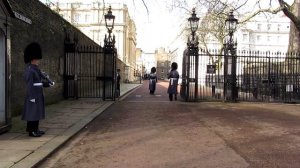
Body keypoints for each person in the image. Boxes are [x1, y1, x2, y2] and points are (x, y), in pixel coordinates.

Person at [23, 42, 54, 137]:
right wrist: (32, 97)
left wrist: (48, 83)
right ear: (33, 59)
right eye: (37, 59)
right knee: (32, 113)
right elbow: (30, 85)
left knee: (37, 113)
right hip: (33, 95)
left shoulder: (36, 69)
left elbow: (39, 82)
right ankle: (32, 131)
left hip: (38, 94)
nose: (38, 61)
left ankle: (36, 129)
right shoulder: (30, 70)